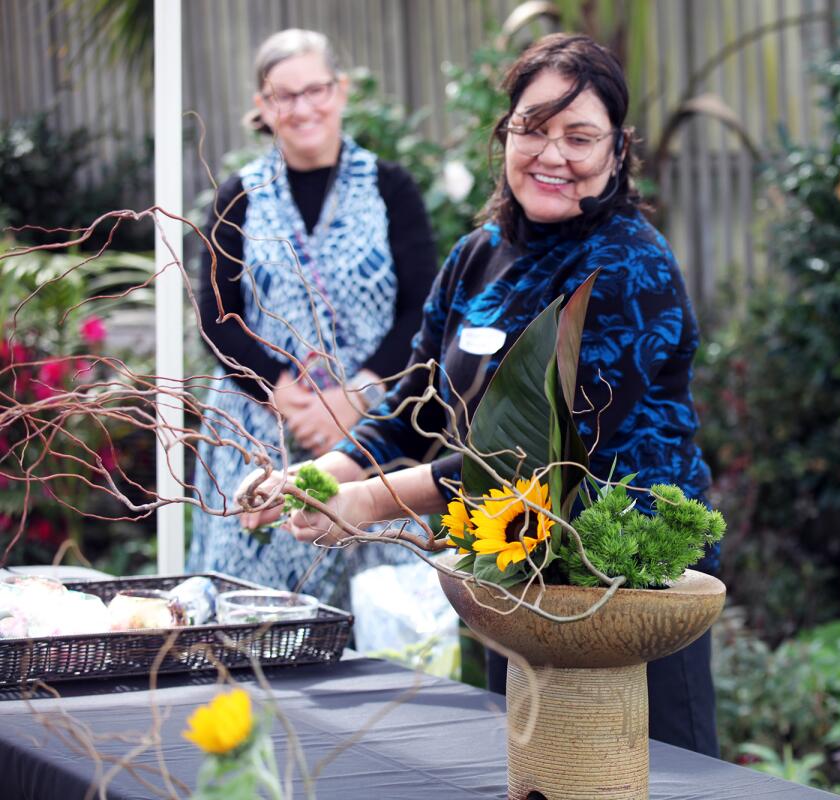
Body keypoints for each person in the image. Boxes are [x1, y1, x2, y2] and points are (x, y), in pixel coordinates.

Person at [241, 32, 721, 756]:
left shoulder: (630, 265)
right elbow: (411, 410)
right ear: (505, 137)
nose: (551, 154)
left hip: (627, 596)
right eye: (532, 128)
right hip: (516, 581)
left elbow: (546, 454)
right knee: (530, 774)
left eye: (579, 137)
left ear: (617, 152)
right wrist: (318, 475)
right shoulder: (477, 258)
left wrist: (371, 501)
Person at [189, 29, 437, 611]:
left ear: (340, 90)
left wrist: (356, 396)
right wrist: (287, 397)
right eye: (283, 96)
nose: (302, 108)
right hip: (260, 436)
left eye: (315, 90)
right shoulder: (239, 195)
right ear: (262, 105)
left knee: (386, 617)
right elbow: (217, 316)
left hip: (378, 434)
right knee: (251, 619)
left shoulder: (389, 188)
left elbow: (423, 307)